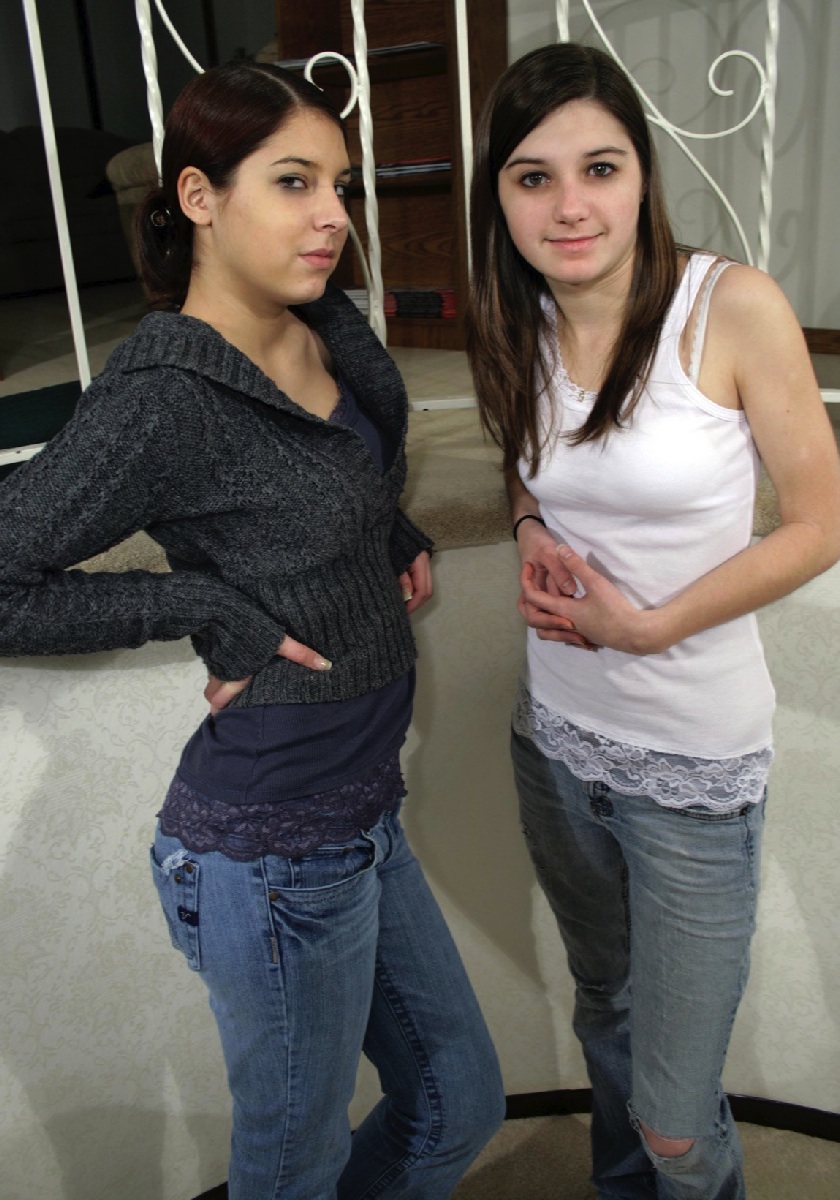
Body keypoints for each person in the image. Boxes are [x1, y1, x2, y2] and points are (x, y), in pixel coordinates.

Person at [0, 61, 504, 1199]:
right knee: (292, 1169)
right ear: (199, 197)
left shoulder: (326, 323)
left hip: (361, 809)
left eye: (339, 183)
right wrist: (201, 608)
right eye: (292, 181)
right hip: (270, 849)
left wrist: (385, 528)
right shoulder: (162, 398)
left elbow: (337, 467)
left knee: (457, 1104)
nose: (333, 214)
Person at [466, 41, 840, 1200]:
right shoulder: (515, 316)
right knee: (608, 1015)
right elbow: (528, 463)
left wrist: (649, 625)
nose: (569, 207)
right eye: (532, 177)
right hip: (554, 742)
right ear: (498, 195)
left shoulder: (728, 307)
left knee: (677, 1122)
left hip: (689, 764)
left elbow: (819, 524)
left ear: (641, 173)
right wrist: (528, 525)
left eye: (599, 167)